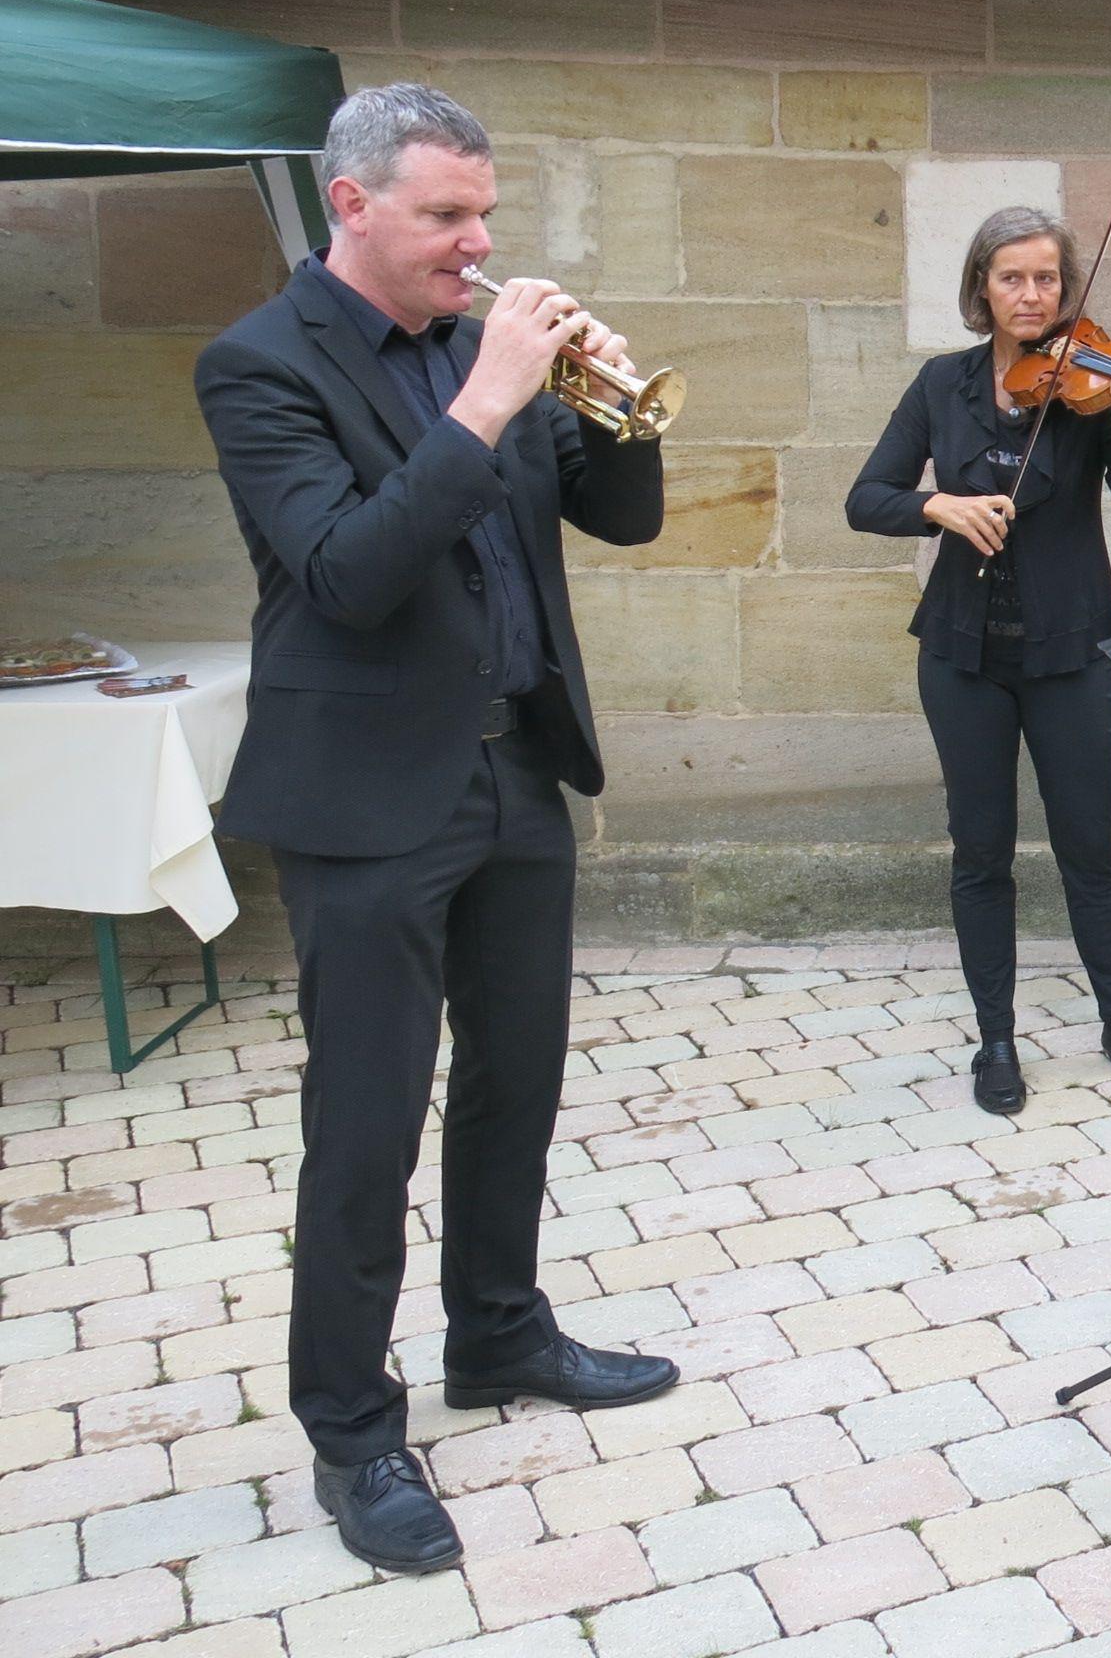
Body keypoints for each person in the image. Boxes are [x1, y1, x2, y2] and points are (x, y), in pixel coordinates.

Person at [195, 84, 678, 1575]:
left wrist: (610, 394)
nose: (478, 245)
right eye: (446, 217)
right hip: (364, 800)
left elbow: (624, 521)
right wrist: (487, 401)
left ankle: (501, 1335)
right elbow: (345, 568)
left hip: (513, 771)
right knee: (366, 1119)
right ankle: (352, 1430)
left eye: (484, 213)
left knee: (514, 1085)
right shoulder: (259, 365)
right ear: (352, 203)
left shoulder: (489, 346)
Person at [846, 207, 1111, 1116]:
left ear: (1065, 289)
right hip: (962, 654)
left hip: (1070, 650)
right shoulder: (942, 385)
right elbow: (867, 497)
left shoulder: (1094, 389)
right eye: (1013, 277)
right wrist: (940, 508)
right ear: (982, 288)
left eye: (1047, 277)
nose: (1032, 294)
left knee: (1090, 845)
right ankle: (995, 1041)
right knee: (982, 851)